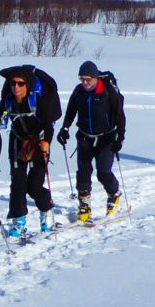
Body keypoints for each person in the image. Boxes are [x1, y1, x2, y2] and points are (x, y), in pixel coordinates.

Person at [57, 59, 126, 222]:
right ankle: (84, 206)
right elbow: (70, 112)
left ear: (96, 78)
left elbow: (119, 116)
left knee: (103, 172)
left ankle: (114, 195)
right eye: (82, 79)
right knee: (83, 172)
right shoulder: (79, 91)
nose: (85, 82)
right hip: (85, 137)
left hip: (106, 138)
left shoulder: (107, 91)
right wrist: (65, 129)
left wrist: (120, 138)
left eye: (88, 79)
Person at [0, 64, 58, 237]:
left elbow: (48, 124)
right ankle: (19, 220)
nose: (16, 87)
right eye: (13, 83)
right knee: (17, 183)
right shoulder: (7, 100)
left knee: (34, 186)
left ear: (28, 84)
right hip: (17, 142)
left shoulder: (38, 100)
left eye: (20, 83)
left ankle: (47, 212)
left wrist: (47, 142)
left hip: (38, 142)